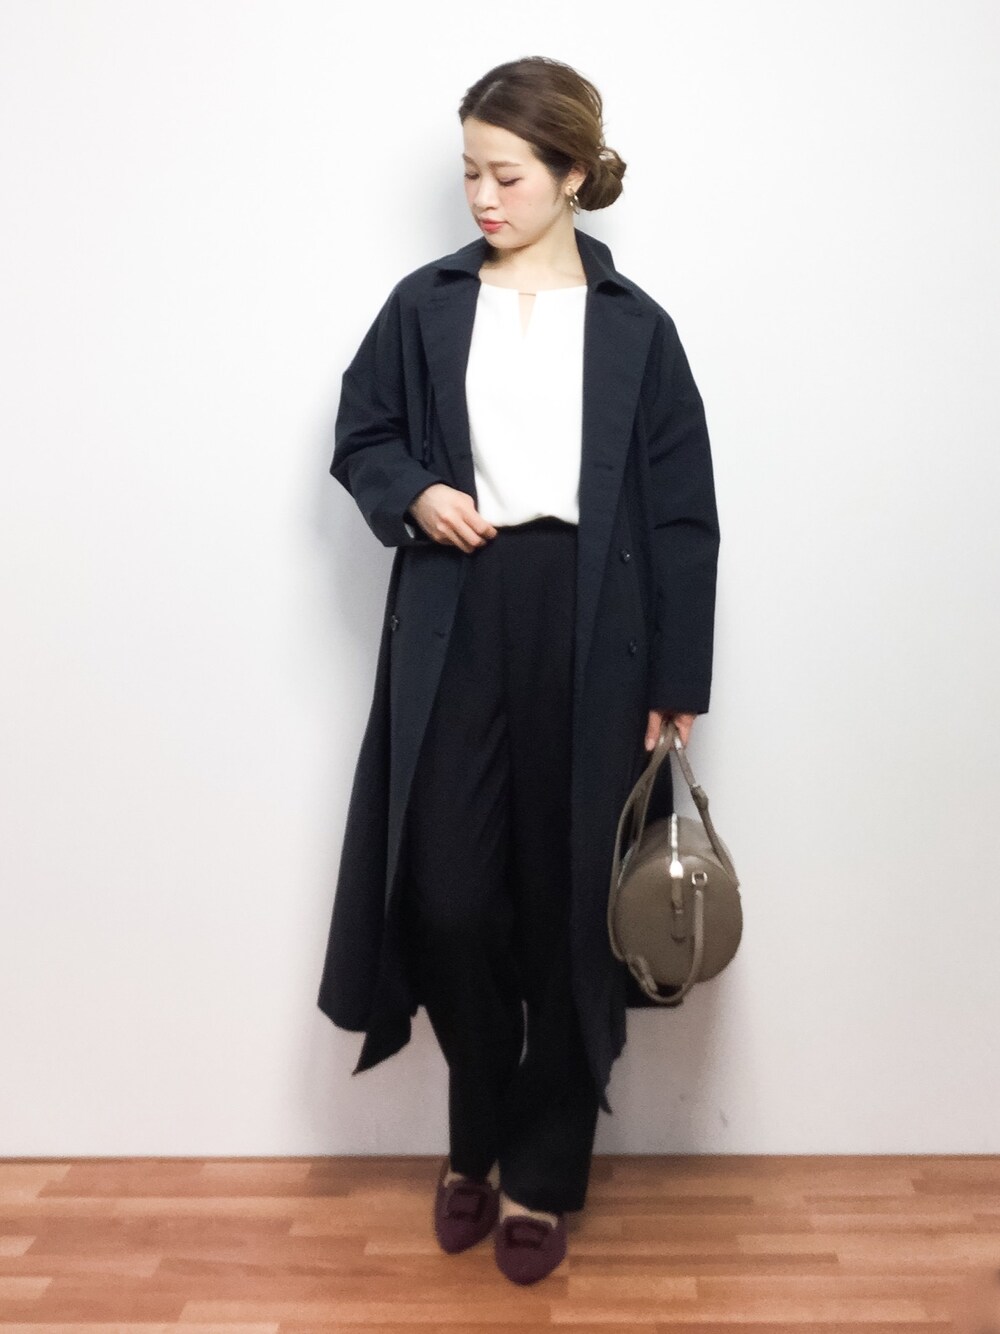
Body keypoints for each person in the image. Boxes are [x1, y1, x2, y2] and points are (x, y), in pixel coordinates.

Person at [321, 55, 721, 1285]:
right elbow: (362, 434)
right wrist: (415, 493)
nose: (483, 197)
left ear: (570, 174)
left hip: (596, 625)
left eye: (506, 174)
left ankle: (540, 1167)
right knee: (445, 892)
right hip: (459, 605)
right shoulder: (426, 303)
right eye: (469, 174)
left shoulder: (638, 326)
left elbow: (681, 515)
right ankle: (476, 1127)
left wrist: (678, 678)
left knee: (568, 904)